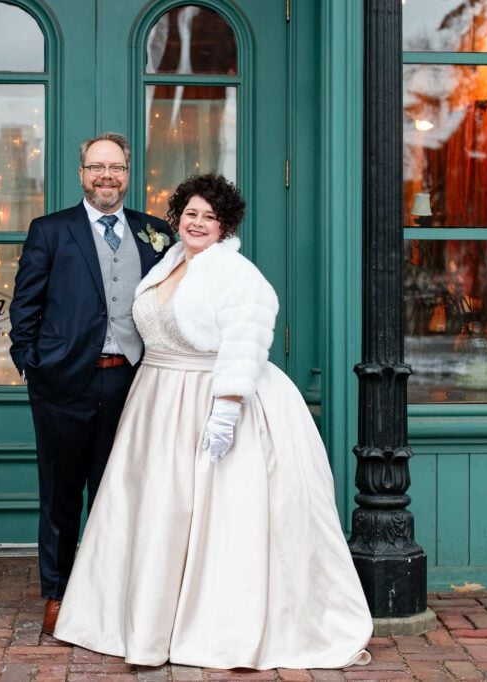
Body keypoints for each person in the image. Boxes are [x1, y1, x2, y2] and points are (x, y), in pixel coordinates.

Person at [53, 173, 373, 670]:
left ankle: (210, 625)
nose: (198, 223)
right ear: (177, 217)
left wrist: (226, 408)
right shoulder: (170, 261)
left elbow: (246, 340)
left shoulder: (236, 274)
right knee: (155, 509)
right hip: (157, 401)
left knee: (212, 513)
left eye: (209, 217)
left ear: (225, 226)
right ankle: (143, 617)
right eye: (191, 214)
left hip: (208, 397)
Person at [9, 133, 171, 635]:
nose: (107, 176)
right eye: (97, 167)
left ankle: (111, 593)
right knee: (60, 496)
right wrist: (33, 365)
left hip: (133, 383)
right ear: (81, 173)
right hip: (64, 384)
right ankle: (57, 594)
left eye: (117, 167)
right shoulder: (51, 230)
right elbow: (25, 308)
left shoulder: (155, 232)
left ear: (128, 173)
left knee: (119, 492)